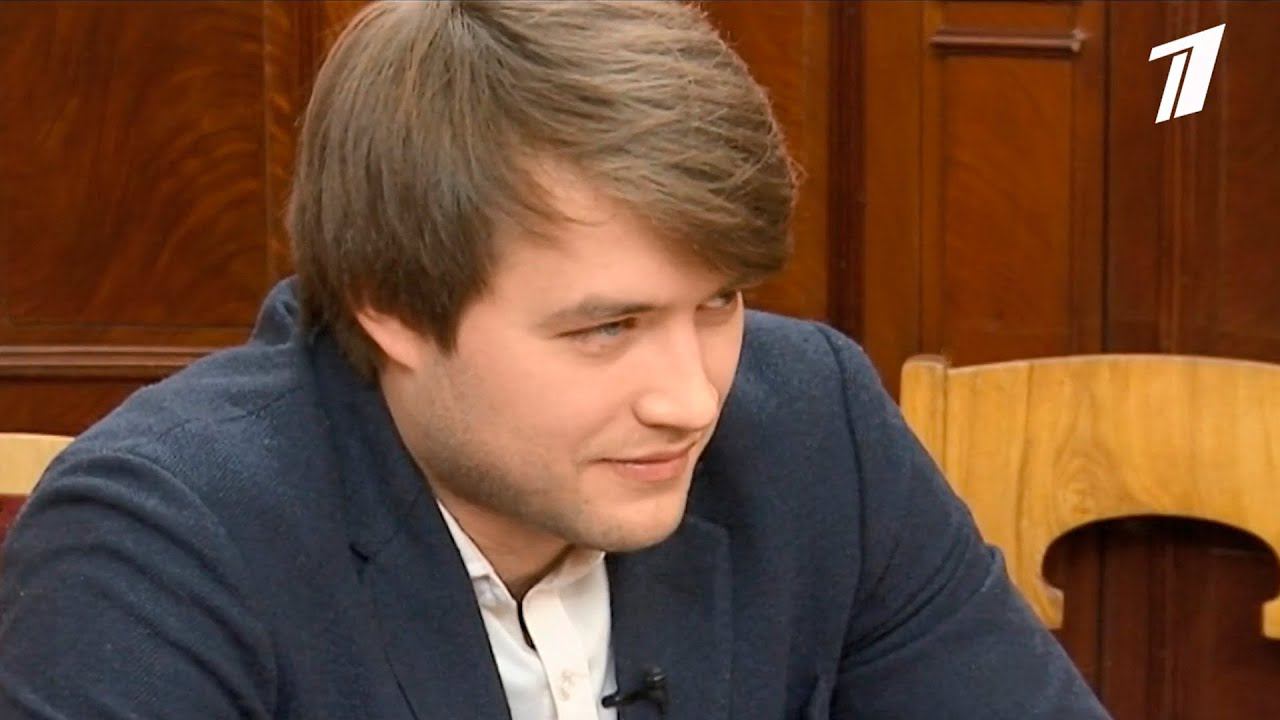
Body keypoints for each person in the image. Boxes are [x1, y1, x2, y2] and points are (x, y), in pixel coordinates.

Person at [0, 2, 1109, 718]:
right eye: (606, 328)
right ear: (392, 305)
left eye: (718, 303)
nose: (691, 399)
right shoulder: (160, 538)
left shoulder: (813, 423)